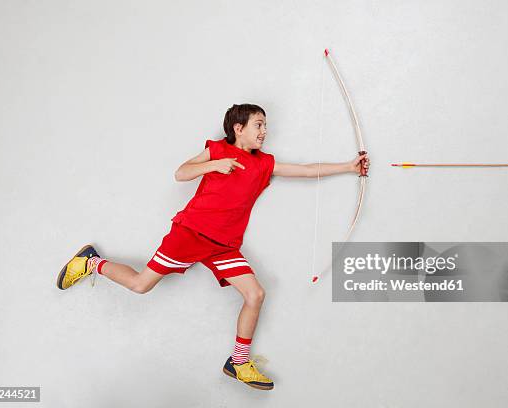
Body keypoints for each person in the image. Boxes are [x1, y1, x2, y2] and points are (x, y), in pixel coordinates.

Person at [56, 103, 370, 390]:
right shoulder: (217, 150)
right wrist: (213, 166)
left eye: (265, 125)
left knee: (255, 294)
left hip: (224, 246)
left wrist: (348, 166)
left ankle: (238, 362)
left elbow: (303, 170)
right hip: (190, 234)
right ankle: (90, 262)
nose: (264, 131)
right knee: (140, 285)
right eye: (258, 125)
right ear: (239, 128)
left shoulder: (264, 164)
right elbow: (181, 173)